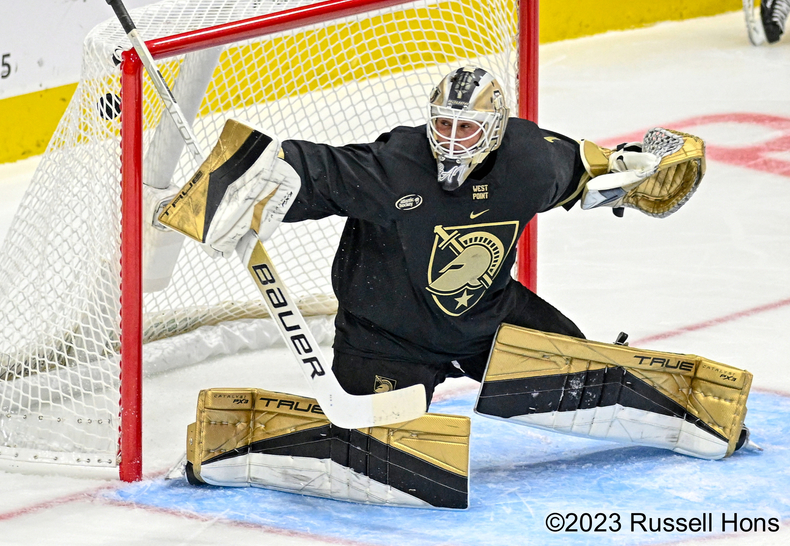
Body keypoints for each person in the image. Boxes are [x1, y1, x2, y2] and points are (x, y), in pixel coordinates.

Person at [174, 66, 753, 508]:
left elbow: (589, 171)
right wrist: (236, 182)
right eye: (443, 125)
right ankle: (236, 443)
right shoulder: (397, 165)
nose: (451, 140)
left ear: (495, 129)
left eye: (467, 127)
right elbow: (311, 170)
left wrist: (634, 171)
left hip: (489, 321)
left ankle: (692, 417)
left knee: (590, 382)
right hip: (387, 338)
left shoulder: (531, 162)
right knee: (396, 463)